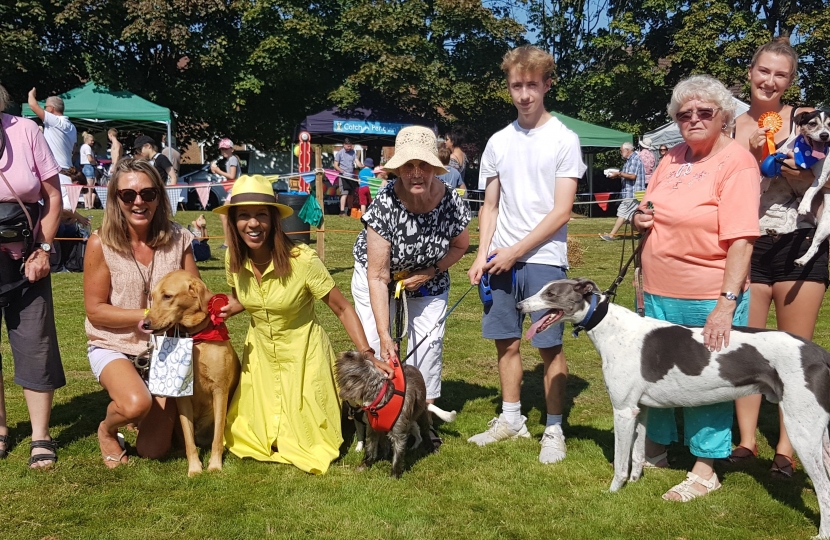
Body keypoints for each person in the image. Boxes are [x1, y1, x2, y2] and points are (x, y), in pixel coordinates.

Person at [632, 74, 760, 501]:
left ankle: (706, 469)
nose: (694, 119)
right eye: (684, 113)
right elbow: (648, 206)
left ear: (723, 115)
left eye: (704, 112)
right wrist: (640, 218)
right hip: (659, 291)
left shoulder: (737, 162)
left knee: (710, 380)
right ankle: (657, 450)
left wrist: (726, 304)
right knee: (660, 374)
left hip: (710, 292)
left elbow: (741, 237)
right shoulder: (671, 158)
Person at [215, 174, 390, 474]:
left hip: (303, 356)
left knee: (310, 444)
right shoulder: (233, 258)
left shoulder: (303, 261)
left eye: (261, 215)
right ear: (233, 221)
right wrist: (222, 311)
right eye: (243, 216)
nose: (253, 224)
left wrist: (368, 353)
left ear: (273, 219)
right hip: (259, 360)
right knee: (250, 438)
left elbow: (342, 308)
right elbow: (244, 298)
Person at [466, 45, 586, 464]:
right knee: (506, 344)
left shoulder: (565, 140)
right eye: (516, 85)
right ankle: (511, 418)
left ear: (547, 84)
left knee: (549, 346)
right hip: (501, 259)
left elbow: (562, 211)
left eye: (532, 85)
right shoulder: (498, 141)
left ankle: (554, 429)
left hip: (544, 259)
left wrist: (515, 252)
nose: (524, 95)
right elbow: (490, 206)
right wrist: (482, 254)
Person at [730, 38, 820, 477]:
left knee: (792, 352)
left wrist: (805, 176)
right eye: (763, 71)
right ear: (750, 72)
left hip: (798, 243)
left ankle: (786, 448)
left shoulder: (809, 122)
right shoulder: (730, 124)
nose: (770, 80)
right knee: (745, 345)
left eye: (780, 74)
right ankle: (746, 440)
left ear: (790, 81)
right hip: (746, 243)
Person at [351, 126, 471, 445]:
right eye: (408, 166)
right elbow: (377, 276)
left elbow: (460, 246)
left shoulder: (451, 202)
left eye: (424, 165)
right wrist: (386, 332)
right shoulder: (385, 203)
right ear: (398, 168)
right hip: (377, 277)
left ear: (434, 167)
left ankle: (422, 417)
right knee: (377, 347)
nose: (416, 173)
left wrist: (431, 270)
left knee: (429, 344)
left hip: (429, 276)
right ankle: (374, 420)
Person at [84, 158, 197, 467]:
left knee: (153, 450)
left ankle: (145, 407)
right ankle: (108, 429)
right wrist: (149, 314)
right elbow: (95, 311)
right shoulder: (99, 242)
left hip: (168, 349)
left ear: (159, 197)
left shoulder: (179, 239)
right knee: (135, 404)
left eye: (148, 194)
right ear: (115, 198)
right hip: (113, 344)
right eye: (128, 195)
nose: (138, 201)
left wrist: (232, 303)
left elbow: (197, 293)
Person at [0, 84, 65, 468]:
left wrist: (42, 249)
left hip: (26, 255)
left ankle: (40, 434)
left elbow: (54, 198)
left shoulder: (26, 131)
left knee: (35, 339)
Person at [26, 88, 89, 228]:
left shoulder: (55, 122)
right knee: (65, 215)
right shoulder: (71, 127)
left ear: (51, 109)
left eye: (46, 107)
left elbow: (32, 105)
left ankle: (79, 220)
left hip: (56, 174)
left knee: (54, 210)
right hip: (67, 173)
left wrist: (31, 94)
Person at [600, 142, 646, 241]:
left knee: (622, 213)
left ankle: (611, 235)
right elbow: (626, 175)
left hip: (633, 192)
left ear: (627, 150)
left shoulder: (634, 160)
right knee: (631, 217)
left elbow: (633, 176)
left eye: (621, 151)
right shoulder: (629, 161)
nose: (620, 153)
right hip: (631, 192)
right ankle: (645, 233)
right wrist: (616, 175)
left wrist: (619, 174)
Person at [334, 138, 362, 216]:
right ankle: (342, 211)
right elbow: (335, 165)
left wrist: (362, 166)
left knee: (351, 194)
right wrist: (341, 170)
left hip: (351, 176)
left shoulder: (353, 152)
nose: (349, 148)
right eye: (348, 146)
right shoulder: (339, 153)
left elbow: (357, 161)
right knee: (344, 193)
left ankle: (350, 210)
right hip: (343, 176)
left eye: (350, 146)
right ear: (344, 145)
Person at [80, 131, 98, 210]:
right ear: (87, 140)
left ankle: (86, 205)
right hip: (89, 167)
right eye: (92, 140)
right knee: (90, 187)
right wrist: (95, 162)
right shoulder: (87, 147)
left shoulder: (82, 146)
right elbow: (90, 159)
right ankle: (90, 205)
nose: (93, 142)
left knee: (86, 187)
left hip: (84, 167)